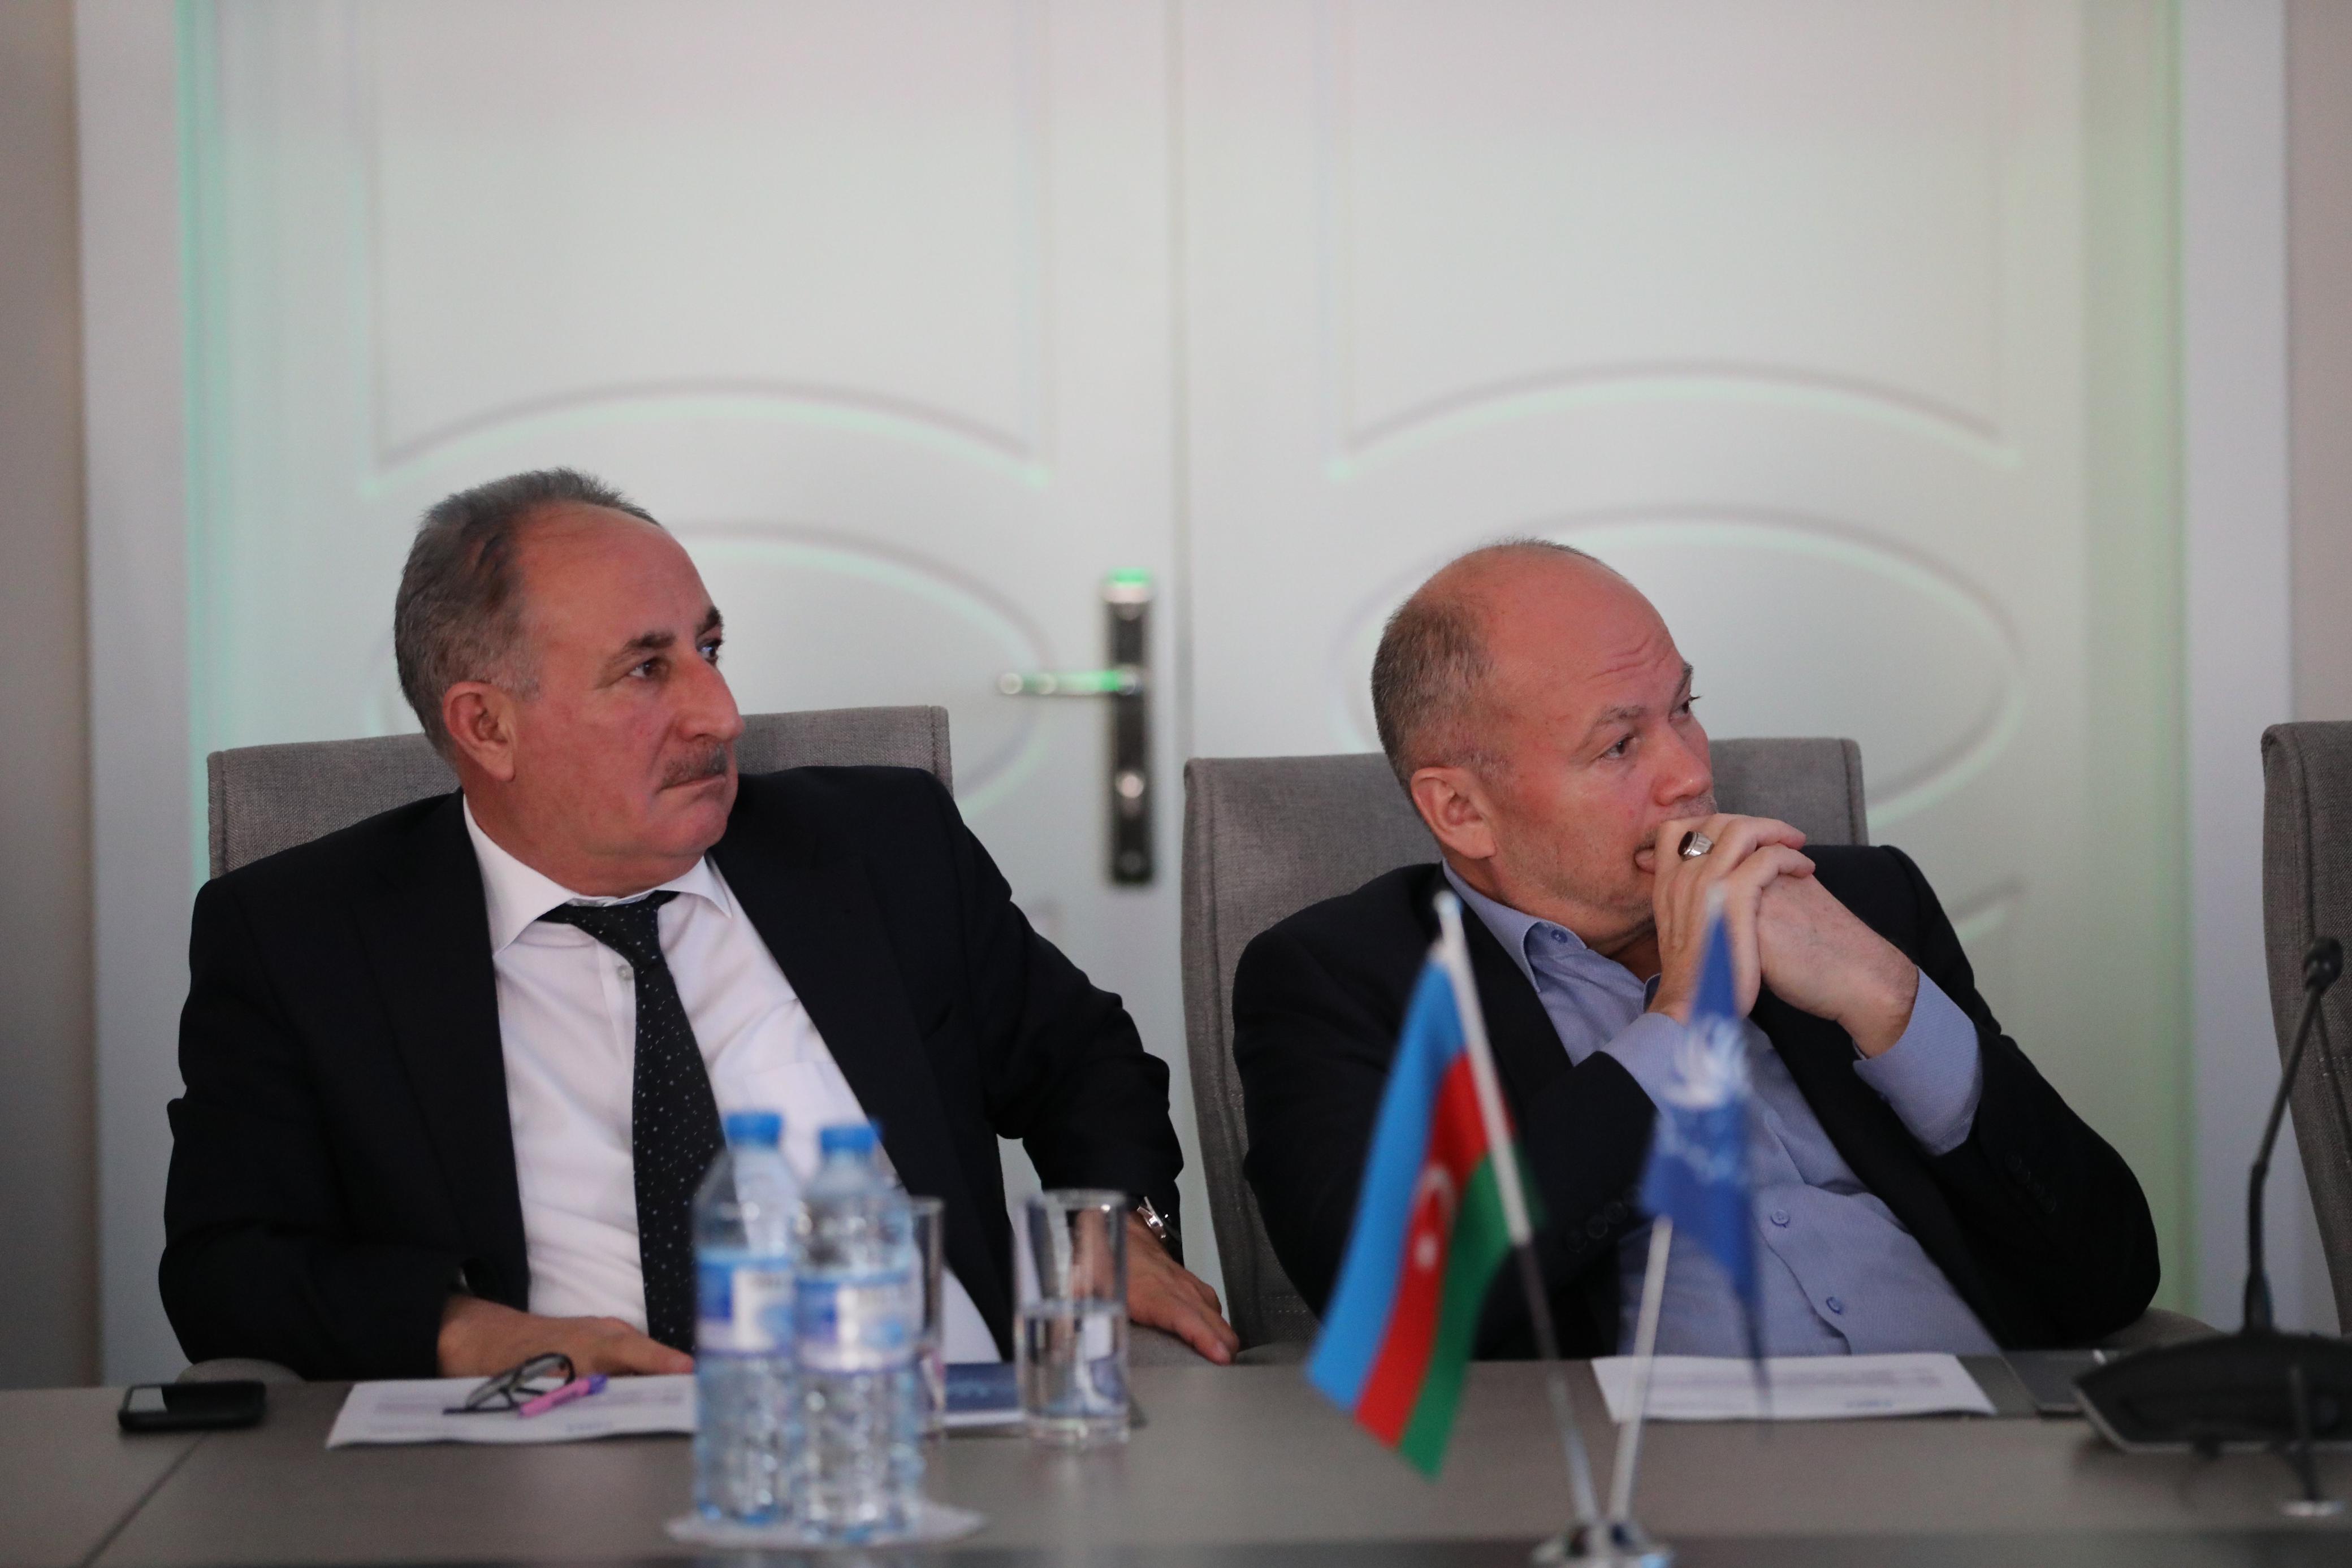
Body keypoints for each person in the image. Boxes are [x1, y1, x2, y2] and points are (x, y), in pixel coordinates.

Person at [163, 468, 1238, 1379]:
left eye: (710, 649)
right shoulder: (306, 938)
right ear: (486, 725)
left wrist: (1122, 1231)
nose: (721, 715)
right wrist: (473, 1334)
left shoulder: (879, 849)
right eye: (646, 669)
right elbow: (228, 1267)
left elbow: (1085, 1062)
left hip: (927, 1438)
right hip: (548, 1474)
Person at [1233, 541, 2158, 1357]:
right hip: (1659, 1481)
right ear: (1462, 810)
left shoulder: (1856, 903)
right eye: (1619, 746)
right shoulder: (1339, 980)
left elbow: (2112, 1274)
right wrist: (1679, 1024)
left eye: (1684, 707)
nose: (1691, 772)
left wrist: (1891, 1000)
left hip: (1979, 1444)